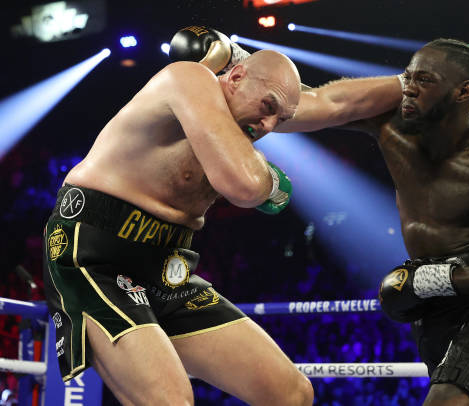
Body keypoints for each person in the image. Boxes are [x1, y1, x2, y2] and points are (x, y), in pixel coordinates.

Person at [43, 26, 402, 405]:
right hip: (93, 254)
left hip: (166, 268)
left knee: (291, 394)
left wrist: (413, 81)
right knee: (170, 401)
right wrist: (272, 180)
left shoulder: (261, 108)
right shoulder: (188, 78)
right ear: (236, 76)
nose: (269, 126)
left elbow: (334, 103)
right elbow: (245, 185)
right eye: (268, 109)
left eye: (281, 120)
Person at [278, 39, 469, 406]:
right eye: (407, 76)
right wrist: (235, 62)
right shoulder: (391, 128)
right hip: (435, 302)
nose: (408, 88)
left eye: (424, 80)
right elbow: (299, 105)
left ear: (463, 91)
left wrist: (438, 280)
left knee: (445, 400)